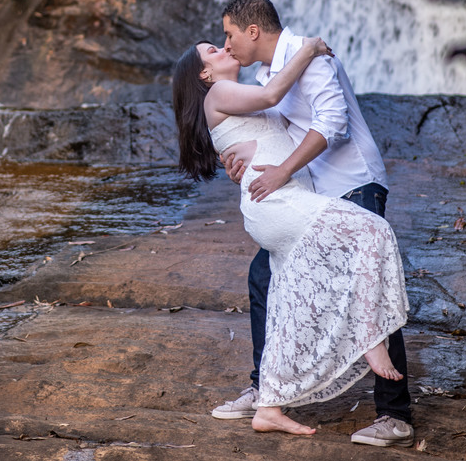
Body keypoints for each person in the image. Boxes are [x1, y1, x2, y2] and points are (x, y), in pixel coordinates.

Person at [172, 32, 408, 437]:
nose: (225, 45)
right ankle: (370, 337)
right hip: (280, 203)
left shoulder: (244, 88)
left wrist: (248, 156)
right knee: (373, 235)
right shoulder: (229, 92)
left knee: (283, 297)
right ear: (205, 74)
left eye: (226, 37)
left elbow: (272, 133)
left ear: (253, 31)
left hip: (292, 198)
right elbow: (269, 100)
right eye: (216, 47)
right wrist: (310, 48)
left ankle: (270, 403)